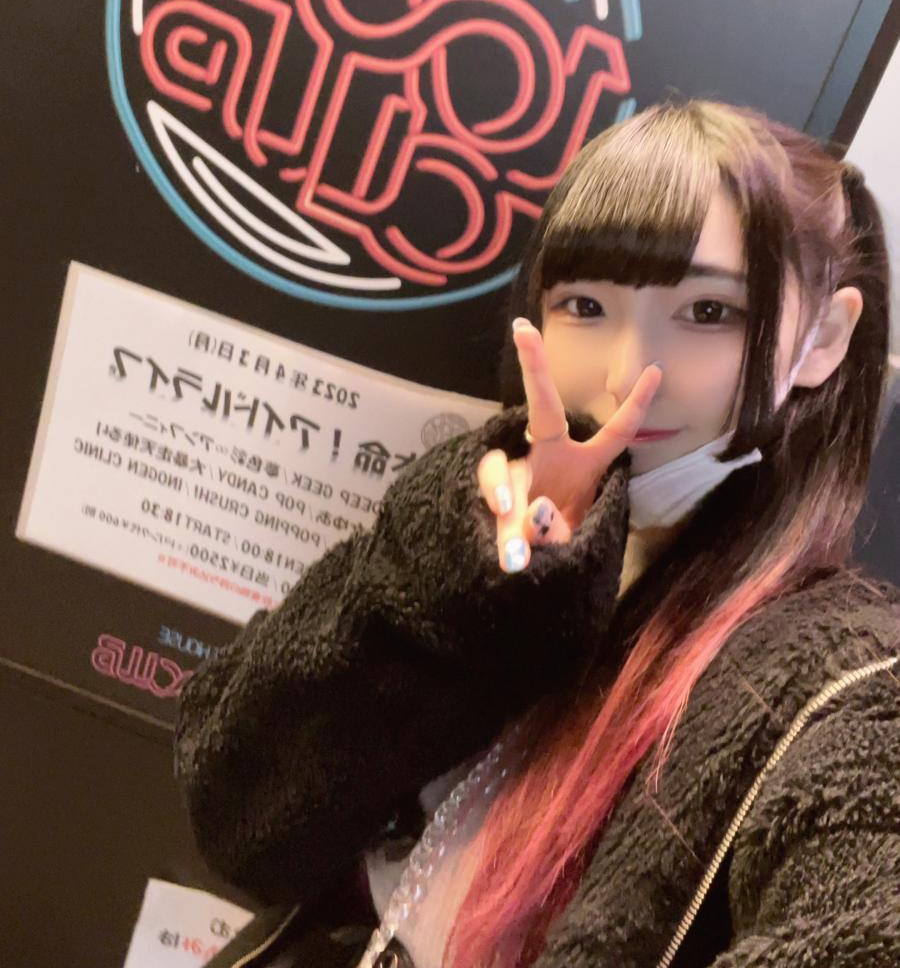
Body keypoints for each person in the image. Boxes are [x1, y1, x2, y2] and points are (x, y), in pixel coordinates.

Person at [174, 99, 900, 968]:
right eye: (586, 305)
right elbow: (237, 819)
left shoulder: (840, 676)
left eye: (709, 313)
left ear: (823, 337)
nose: (628, 374)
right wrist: (462, 590)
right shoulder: (472, 522)